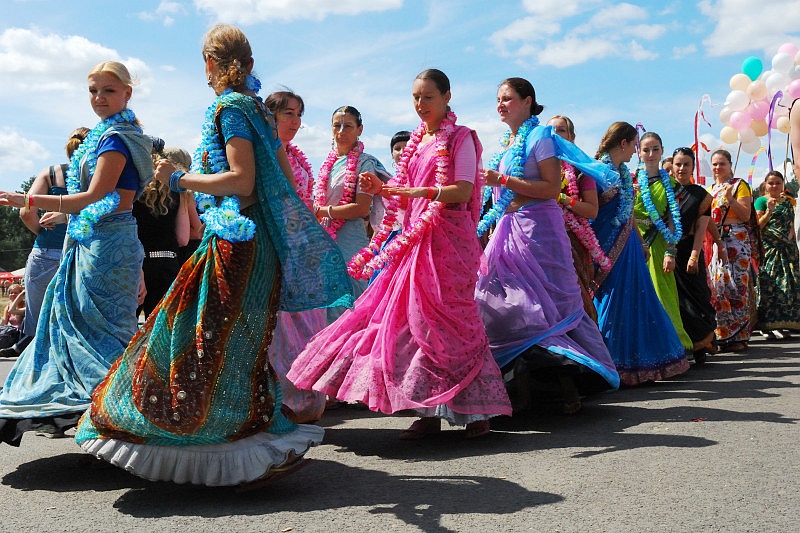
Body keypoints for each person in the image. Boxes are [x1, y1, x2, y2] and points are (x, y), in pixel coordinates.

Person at [75, 24, 352, 488]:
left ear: (210, 61)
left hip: (235, 241)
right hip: (256, 242)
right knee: (235, 345)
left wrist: (181, 178)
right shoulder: (262, 114)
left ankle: (206, 441)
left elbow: (241, 182)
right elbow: (284, 183)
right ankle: (251, 442)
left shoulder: (229, 108)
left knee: (191, 335)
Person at [288, 69, 512, 439]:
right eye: (416, 98)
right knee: (412, 322)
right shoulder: (418, 142)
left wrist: (407, 193)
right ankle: (427, 411)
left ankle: (477, 411)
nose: (421, 105)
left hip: (450, 243)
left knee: (455, 323)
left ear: (447, 97)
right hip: (415, 240)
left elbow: (461, 190)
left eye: (428, 97)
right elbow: (403, 189)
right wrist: (383, 187)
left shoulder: (461, 138)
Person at [0, 61, 155, 444]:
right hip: (93, 240)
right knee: (81, 325)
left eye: (108, 90)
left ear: (127, 94)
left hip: (109, 245)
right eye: (93, 91)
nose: (99, 98)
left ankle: (123, 409)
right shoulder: (105, 135)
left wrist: (25, 198)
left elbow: (94, 196)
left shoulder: (117, 138)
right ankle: (110, 411)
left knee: (102, 329)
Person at [473, 81, 618, 416]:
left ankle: (568, 390)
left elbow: (552, 188)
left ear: (528, 102)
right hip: (507, 230)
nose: (501, 104)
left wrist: (503, 181)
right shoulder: (506, 144)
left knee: (541, 310)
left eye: (507, 99)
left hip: (539, 232)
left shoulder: (541, 137)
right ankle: (522, 391)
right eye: (497, 100)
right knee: (498, 304)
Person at [591, 122, 688, 386]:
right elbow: (589, 210)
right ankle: (608, 365)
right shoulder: (597, 170)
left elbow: (628, 211)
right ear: (623, 143)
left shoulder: (622, 173)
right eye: (635, 145)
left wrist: (640, 242)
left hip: (630, 245)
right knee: (611, 302)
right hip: (606, 245)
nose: (636, 151)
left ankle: (638, 364)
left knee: (637, 300)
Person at [264, 89, 327, 423]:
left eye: (299, 115)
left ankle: (307, 395)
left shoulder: (297, 156)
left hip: (302, 246)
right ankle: (283, 398)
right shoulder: (266, 152)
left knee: (309, 320)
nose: (295, 121)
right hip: (277, 243)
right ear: (270, 117)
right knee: (281, 323)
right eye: (288, 113)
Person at [0, 128, 89, 359]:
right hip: (83, 252)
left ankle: (31, 369)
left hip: (46, 252)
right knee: (76, 318)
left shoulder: (51, 173)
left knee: (38, 318)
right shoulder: (97, 178)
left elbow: (24, 212)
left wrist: (41, 231)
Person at [314, 105, 391, 323]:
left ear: (360, 129)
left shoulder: (365, 162)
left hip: (350, 242)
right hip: (325, 240)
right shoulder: (328, 163)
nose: (341, 131)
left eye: (348, 126)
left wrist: (322, 211)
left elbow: (361, 208)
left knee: (350, 304)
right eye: (336, 125)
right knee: (327, 304)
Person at [633, 132, 694, 356]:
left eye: (655, 149)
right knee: (638, 295)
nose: (650, 154)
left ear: (662, 151)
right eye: (646, 149)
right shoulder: (630, 180)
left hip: (658, 244)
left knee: (663, 294)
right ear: (638, 152)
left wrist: (671, 252)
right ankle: (644, 350)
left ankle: (672, 347)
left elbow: (672, 219)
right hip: (634, 244)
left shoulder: (669, 184)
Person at [547, 115, 607, 322]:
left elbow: (592, 210)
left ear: (571, 136)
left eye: (561, 130)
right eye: (550, 130)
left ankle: (585, 346)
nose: (555, 134)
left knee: (576, 296)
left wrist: (562, 198)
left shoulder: (581, 170)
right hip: (543, 241)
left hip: (572, 242)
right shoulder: (536, 167)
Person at [133, 146, 192, 318]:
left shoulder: (133, 188)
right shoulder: (177, 191)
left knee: (129, 331)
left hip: (137, 264)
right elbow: (183, 238)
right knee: (161, 331)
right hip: (167, 264)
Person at [670, 147, 717, 360]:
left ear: (693, 167)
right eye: (678, 164)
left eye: (686, 164)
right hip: (666, 253)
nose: (681, 168)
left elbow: (701, 227)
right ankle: (680, 348)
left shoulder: (701, 195)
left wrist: (694, 256)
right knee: (675, 300)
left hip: (689, 250)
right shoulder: (663, 191)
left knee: (697, 298)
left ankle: (700, 345)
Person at [707, 149, 753, 352]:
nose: (718, 168)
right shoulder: (708, 190)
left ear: (730, 164)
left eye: (722, 163)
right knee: (719, 286)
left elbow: (745, 215)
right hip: (716, 241)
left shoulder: (739, 186)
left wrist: (730, 199)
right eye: (715, 164)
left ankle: (740, 335)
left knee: (737, 286)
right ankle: (724, 334)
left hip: (736, 239)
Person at [754, 170, 800, 336]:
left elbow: (793, 224)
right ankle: (768, 324)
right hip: (770, 249)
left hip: (788, 249)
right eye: (771, 183)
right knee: (770, 284)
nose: (774, 186)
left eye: (778, 183)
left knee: (789, 284)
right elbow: (757, 226)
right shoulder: (760, 201)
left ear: (783, 184)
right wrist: (769, 212)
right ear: (765, 185)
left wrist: (791, 238)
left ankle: (787, 322)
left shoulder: (789, 202)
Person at [0, 284, 25, 350]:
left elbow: (13, 311)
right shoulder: (7, 307)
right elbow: (3, 324)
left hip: (19, 334)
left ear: (21, 295)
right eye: (11, 293)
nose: (13, 295)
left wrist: (17, 300)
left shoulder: (25, 306)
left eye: (16, 293)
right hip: (9, 333)